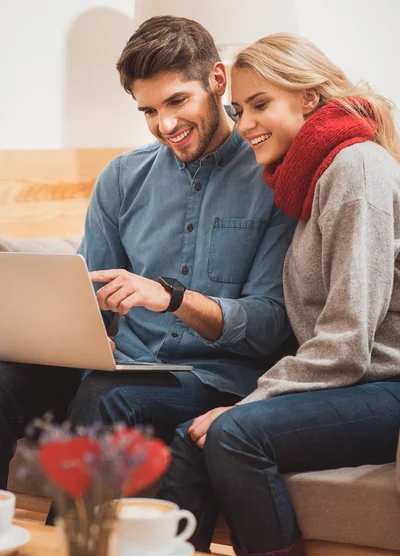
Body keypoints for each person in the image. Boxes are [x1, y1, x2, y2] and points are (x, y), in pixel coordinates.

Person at [0, 18, 295, 492]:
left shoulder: (272, 174)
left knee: (105, 398)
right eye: (149, 111)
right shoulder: (121, 178)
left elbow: (269, 326)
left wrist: (170, 298)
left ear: (217, 80)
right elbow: (87, 291)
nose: (167, 125)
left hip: (216, 377)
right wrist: (79, 334)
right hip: (121, 363)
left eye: (177, 101)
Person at [157, 33, 400, 556]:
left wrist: (248, 403)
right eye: (238, 110)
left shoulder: (355, 170)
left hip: (386, 386)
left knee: (234, 433)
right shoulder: (308, 178)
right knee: (191, 439)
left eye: (260, 105)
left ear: (309, 98)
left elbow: (347, 341)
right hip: (354, 383)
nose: (244, 126)